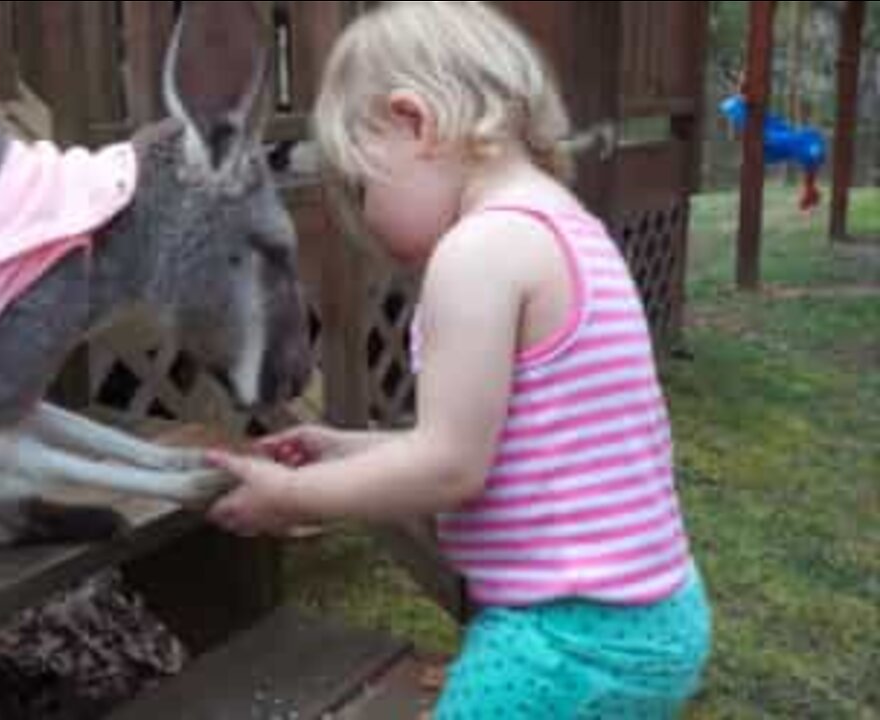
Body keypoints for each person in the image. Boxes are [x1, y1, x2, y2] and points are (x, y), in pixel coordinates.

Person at [203, 3, 711, 717]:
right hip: (648, 610)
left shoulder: (478, 250)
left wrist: (290, 498)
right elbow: (491, 447)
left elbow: (449, 468)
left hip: (566, 637)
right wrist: (347, 449)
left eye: (361, 187)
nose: (364, 219)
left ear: (414, 123)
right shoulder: (568, 226)